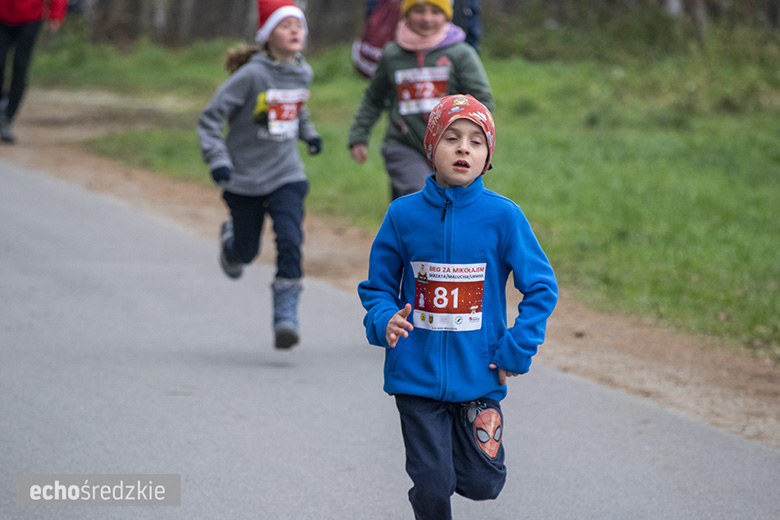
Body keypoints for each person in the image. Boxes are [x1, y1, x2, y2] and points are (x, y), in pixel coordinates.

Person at [358, 94, 558, 519]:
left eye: (476, 141)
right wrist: (383, 319)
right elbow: (377, 288)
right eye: (451, 138)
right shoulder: (402, 215)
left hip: (479, 376)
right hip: (415, 377)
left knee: (484, 484)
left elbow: (542, 287)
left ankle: (460, 463)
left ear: (487, 158)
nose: (464, 148)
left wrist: (517, 347)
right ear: (431, 149)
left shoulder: (503, 217)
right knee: (433, 483)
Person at [197, 0, 322, 350]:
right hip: (244, 177)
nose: (295, 31)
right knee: (246, 252)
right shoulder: (251, 76)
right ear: (267, 35)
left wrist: (308, 133)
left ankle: (286, 316)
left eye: (299, 25)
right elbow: (210, 119)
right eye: (285, 25)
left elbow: (295, 107)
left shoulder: (303, 72)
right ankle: (231, 246)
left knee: (290, 239)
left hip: (286, 173)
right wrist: (217, 159)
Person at [349, 0, 494, 201]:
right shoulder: (392, 55)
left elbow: (482, 100)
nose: (427, 18)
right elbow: (374, 98)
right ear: (406, 13)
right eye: (419, 11)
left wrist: (472, 137)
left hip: (450, 146)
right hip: (403, 144)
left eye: (435, 12)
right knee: (421, 194)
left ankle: (402, 218)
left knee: (450, 203)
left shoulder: (461, 54)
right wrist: (359, 135)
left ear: (447, 16)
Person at [0, 0, 67, 144]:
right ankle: (2, 101)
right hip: (2, 14)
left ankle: (8, 118)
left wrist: (56, 14)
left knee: (20, 65)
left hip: (30, 17)